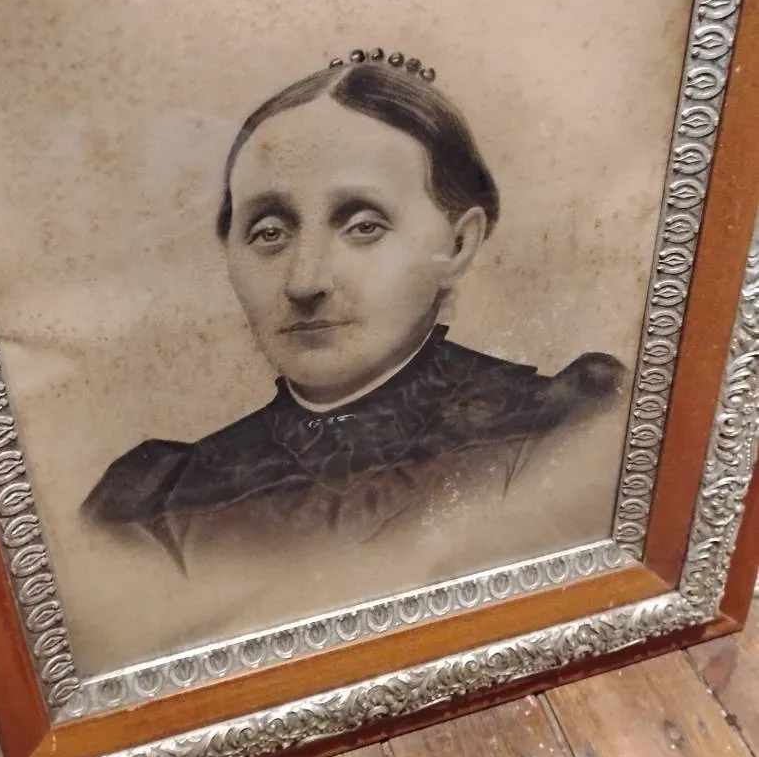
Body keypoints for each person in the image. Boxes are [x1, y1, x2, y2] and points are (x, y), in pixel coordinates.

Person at [83, 50, 626, 570]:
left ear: (458, 245)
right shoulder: (159, 507)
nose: (305, 282)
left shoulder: (559, 435)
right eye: (269, 232)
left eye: (364, 226)